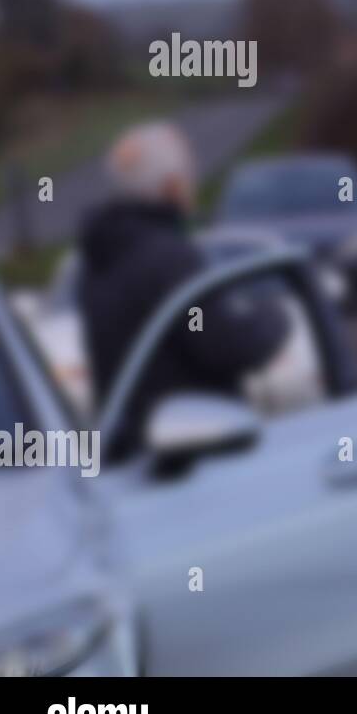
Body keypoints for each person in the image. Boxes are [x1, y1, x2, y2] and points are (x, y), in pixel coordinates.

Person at [77, 122, 288, 463]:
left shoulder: (99, 261)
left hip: (131, 455)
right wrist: (272, 316)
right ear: (172, 186)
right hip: (191, 455)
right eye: (188, 176)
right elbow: (220, 343)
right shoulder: (169, 261)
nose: (193, 185)